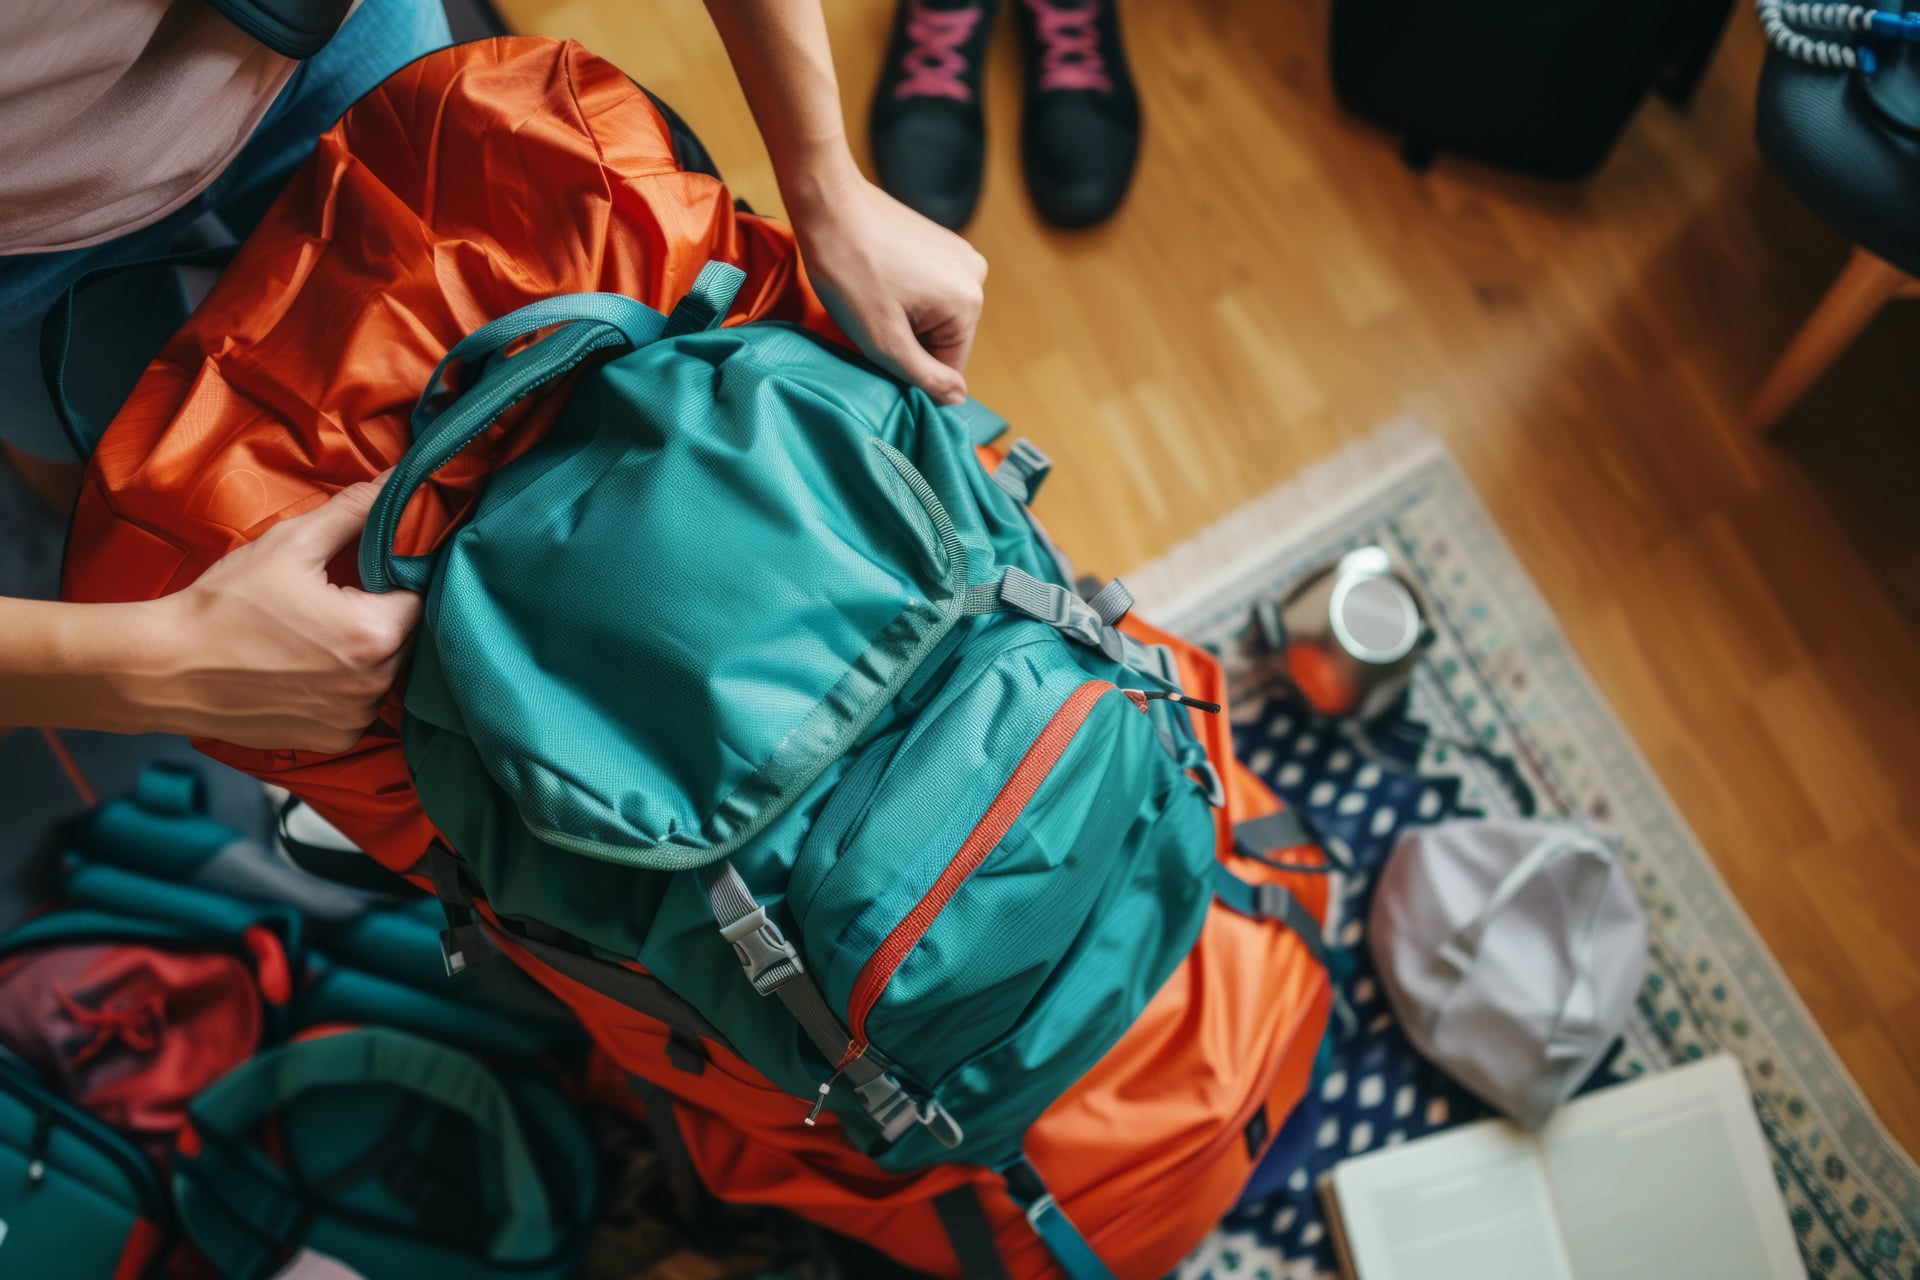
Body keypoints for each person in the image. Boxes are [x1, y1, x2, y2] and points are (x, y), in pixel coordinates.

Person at [0, 0, 988, 754]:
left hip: (326, 32)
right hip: (21, 245)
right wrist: (148, 663)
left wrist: (825, 179)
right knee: (104, 493)